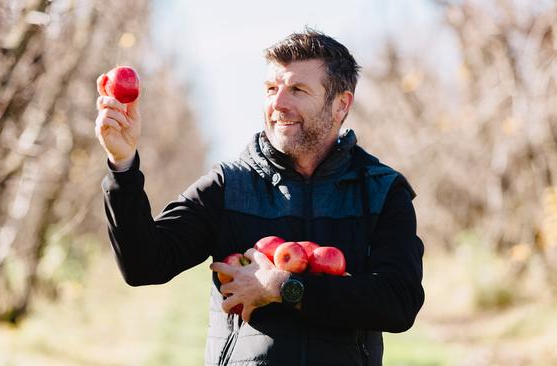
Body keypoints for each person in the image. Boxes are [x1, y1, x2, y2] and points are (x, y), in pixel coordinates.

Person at [95, 29, 424, 366]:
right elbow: (144, 264)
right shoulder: (228, 186)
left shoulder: (381, 191)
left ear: (341, 104)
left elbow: (399, 301)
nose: (278, 103)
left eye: (297, 89)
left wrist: (284, 286)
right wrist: (123, 165)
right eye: (271, 89)